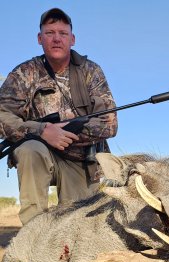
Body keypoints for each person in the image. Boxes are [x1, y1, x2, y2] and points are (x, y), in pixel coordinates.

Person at [0, 8, 118, 225]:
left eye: (62, 33)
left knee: (79, 226)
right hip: (40, 154)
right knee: (29, 150)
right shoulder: (24, 73)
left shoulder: (91, 71)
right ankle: (33, 235)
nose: (56, 39)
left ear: (72, 39)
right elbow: (2, 116)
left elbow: (110, 125)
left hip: (81, 160)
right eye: (50, 32)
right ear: (39, 38)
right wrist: (43, 131)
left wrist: (68, 131)